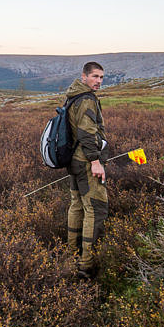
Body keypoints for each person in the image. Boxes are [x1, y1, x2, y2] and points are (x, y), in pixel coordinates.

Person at [66, 61, 109, 279]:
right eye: (94, 77)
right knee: (96, 208)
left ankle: (71, 254)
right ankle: (86, 264)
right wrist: (95, 161)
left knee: (77, 206)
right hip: (85, 162)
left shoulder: (73, 95)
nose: (98, 81)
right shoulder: (86, 100)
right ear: (83, 77)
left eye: (101, 77)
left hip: (74, 161)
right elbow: (86, 133)